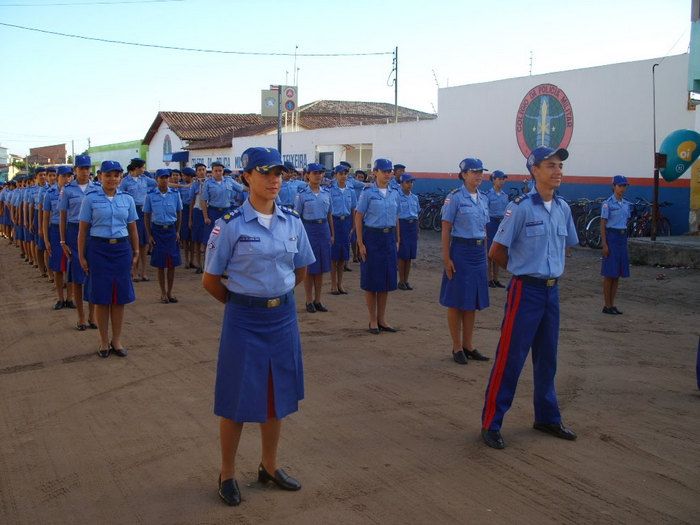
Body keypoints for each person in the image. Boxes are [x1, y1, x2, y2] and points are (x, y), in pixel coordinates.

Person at [202, 147, 315, 507]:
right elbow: (210, 280)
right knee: (236, 399)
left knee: (277, 395)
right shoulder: (230, 224)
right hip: (244, 319)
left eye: (278, 172)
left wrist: (272, 297)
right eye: (265, 172)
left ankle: (269, 466)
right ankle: (227, 473)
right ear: (246, 177)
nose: (274, 179)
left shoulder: (292, 221)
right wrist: (244, 304)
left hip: (282, 318)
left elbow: (300, 270)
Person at [481, 146, 579, 450]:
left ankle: (547, 417)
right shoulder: (520, 207)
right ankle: (491, 423)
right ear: (534, 170)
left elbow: (567, 245)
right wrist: (524, 270)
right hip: (526, 291)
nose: (557, 170)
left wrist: (549, 268)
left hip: (552, 291)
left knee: (547, 358)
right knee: (510, 358)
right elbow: (496, 252)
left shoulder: (563, 208)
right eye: (550, 165)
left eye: (560, 165)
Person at [78, 161, 139, 358]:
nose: (112, 179)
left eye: (116, 175)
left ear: (120, 177)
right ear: (100, 176)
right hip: (98, 249)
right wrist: (81, 255)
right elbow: (82, 231)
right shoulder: (90, 199)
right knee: (102, 297)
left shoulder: (127, 200)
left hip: (121, 249)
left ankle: (117, 340)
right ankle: (104, 341)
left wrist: (136, 250)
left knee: (119, 297)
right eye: (108, 175)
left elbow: (132, 228)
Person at [440, 158, 491, 365]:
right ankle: (457, 346)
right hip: (460, 251)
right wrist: (446, 258)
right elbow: (446, 228)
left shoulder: (483, 198)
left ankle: (469, 345)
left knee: (471, 303)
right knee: (456, 301)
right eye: (474, 172)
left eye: (480, 172)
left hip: (478, 253)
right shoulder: (455, 198)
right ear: (463, 174)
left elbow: (484, 230)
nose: (478, 176)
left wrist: (485, 256)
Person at [355, 158, 400, 334]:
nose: (388, 174)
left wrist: (397, 239)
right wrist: (360, 243)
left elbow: (396, 217)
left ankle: (382, 319)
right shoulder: (368, 192)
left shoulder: (394, 192)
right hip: (372, 237)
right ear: (375, 172)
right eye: (384, 171)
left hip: (388, 238)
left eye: (390, 171)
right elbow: (358, 216)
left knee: (386, 281)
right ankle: (372, 320)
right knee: (372, 280)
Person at [59, 155, 97, 328]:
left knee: (93, 275)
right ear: (75, 171)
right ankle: (81, 317)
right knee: (77, 278)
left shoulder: (97, 188)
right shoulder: (67, 190)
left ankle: (92, 316)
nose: (85, 171)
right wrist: (62, 241)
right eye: (81, 168)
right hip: (74, 233)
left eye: (87, 168)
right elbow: (63, 217)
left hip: (93, 232)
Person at [295, 163, 333, 312]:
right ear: (307, 175)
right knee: (310, 268)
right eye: (315, 173)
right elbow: (297, 217)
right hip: (308, 230)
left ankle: (318, 300)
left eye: (320, 173)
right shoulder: (302, 194)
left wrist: (332, 233)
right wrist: (298, 237)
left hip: (323, 229)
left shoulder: (326, 193)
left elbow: (330, 215)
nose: (318, 175)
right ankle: (309, 300)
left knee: (321, 267)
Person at [144, 169, 183, 303]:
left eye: (167, 177)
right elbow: (147, 215)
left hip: (171, 230)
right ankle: (162, 293)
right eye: (162, 178)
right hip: (158, 230)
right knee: (160, 264)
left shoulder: (175, 194)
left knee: (172, 264)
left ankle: (170, 292)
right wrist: (149, 235)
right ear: (157, 179)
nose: (165, 180)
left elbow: (179, 214)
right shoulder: (150, 195)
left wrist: (177, 231)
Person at [43, 166, 76, 310]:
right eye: (64, 176)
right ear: (57, 177)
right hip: (56, 230)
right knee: (57, 267)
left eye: (69, 176)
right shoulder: (49, 194)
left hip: (71, 229)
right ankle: (60, 298)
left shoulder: (75, 191)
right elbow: (45, 218)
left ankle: (70, 298)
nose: (67, 179)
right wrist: (46, 238)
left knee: (71, 266)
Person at [119, 157, 155, 281]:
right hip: (130, 213)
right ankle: (134, 271)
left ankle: (144, 272)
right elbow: (120, 196)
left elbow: (160, 183)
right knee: (133, 243)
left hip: (143, 212)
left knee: (144, 244)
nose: (144, 170)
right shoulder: (125, 181)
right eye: (143, 167)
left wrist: (183, 186)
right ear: (136, 168)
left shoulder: (145, 179)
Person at [600, 175, 632, 315]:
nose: (622, 188)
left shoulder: (626, 204)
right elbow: (603, 224)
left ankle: (612, 304)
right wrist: (604, 244)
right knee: (609, 274)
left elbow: (626, 222)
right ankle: (606, 305)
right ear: (614, 186)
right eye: (620, 185)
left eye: (624, 186)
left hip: (622, 238)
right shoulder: (608, 204)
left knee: (617, 273)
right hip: (611, 238)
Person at [329, 164, 356, 295]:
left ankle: (340, 283)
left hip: (346, 223)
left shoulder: (350, 190)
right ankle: (333, 284)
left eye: (345, 174)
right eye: (340, 174)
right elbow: (328, 211)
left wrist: (353, 225)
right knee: (334, 256)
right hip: (335, 222)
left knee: (343, 256)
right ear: (335, 175)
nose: (343, 176)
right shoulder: (329, 190)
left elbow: (353, 209)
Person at [485, 170, 509, 288]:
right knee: (490, 252)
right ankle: (489, 278)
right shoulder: (488, 195)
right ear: (493, 180)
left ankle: (496, 278)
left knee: (498, 251)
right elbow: (485, 212)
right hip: (491, 224)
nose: (501, 181)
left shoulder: (505, 196)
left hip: (501, 225)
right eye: (499, 179)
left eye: (503, 179)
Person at [397, 173, 419, 290]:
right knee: (402, 255)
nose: (410, 184)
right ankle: (401, 281)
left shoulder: (414, 197)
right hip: (403, 225)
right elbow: (396, 216)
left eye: (411, 182)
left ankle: (406, 280)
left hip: (412, 226)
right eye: (407, 182)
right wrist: (398, 234)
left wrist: (417, 230)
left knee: (410, 255)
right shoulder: (397, 197)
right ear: (402, 183)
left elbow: (417, 215)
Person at [189, 163, 207, 273]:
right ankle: (199, 265)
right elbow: (191, 201)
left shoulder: (210, 182)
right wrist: (190, 218)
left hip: (207, 212)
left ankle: (206, 264)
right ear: (196, 172)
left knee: (206, 239)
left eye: (203, 169)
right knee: (196, 239)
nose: (201, 171)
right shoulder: (194, 185)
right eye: (199, 170)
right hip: (197, 212)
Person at [179, 167, 195, 268]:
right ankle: (186, 260)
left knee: (192, 238)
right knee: (185, 237)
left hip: (194, 210)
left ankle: (192, 260)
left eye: (185, 175)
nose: (183, 177)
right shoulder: (181, 186)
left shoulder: (196, 184)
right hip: (184, 210)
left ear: (190, 176)